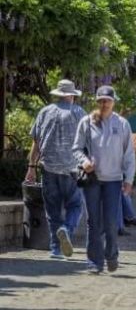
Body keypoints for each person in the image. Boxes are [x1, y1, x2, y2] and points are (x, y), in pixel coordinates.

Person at [71, 85, 136, 275]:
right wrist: (84, 162)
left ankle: (112, 255)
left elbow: (129, 154)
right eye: (101, 100)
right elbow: (76, 148)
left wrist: (129, 179)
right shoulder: (86, 121)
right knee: (93, 221)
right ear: (97, 102)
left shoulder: (122, 124)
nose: (104, 103)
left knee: (111, 222)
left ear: (114, 101)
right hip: (92, 179)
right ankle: (94, 262)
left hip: (114, 180)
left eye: (108, 100)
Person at [24, 79, 86, 259]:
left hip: (48, 168)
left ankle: (56, 250)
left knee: (52, 210)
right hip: (72, 169)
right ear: (71, 96)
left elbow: (36, 143)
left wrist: (31, 167)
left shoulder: (44, 112)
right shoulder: (79, 113)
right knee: (75, 205)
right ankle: (66, 229)